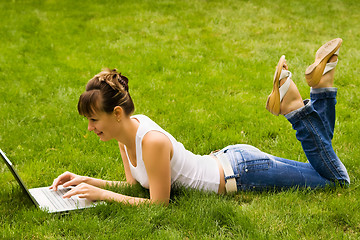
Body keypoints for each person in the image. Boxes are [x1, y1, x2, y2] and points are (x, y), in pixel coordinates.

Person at [50, 38, 350, 205]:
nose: (90, 128)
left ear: (116, 114)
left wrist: (102, 195)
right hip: (233, 162)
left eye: (93, 119)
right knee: (323, 170)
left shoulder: (150, 141)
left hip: (243, 173)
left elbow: (158, 205)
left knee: (335, 180)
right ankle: (322, 86)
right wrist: (87, 182)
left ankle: (295, 107)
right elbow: (135, 186)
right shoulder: (125, 133)